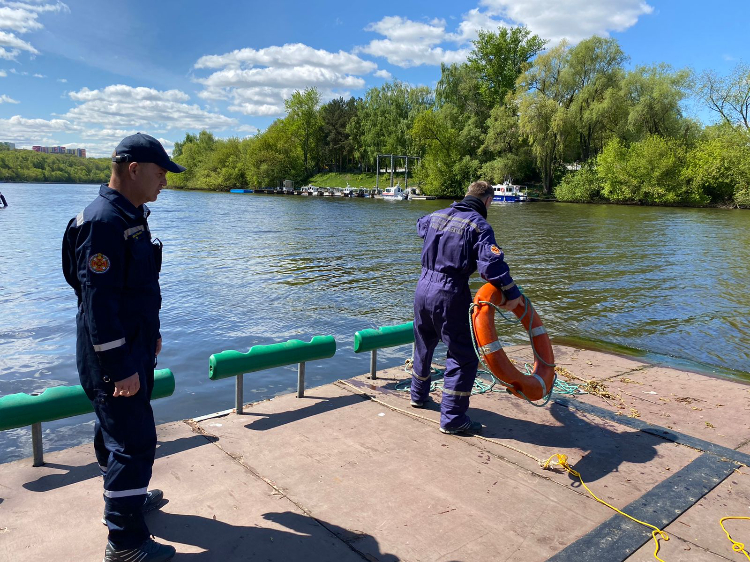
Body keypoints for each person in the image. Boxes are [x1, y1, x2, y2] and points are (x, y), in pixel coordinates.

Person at [62, 133, 185, 562]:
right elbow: (98, 304)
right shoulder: (103, 222)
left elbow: (133, 289)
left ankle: (123, 500)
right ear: (133, 169)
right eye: (160, 172)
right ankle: (125, 541)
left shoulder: (128, 214)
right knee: (134, 442)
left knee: (116, 433)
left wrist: (150, 334)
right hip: (113, 356)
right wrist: (118, 367)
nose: (164, 182)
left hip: (133, 346)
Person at [411, 180, 523, 434]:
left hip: (422, 288)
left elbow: (420, 225)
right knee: (463, 356)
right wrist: (512, 294)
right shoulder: (479, 226)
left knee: (423, 342)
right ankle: (452, 418)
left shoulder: (436, 215)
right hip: (449, 292)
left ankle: (417, 395)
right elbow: (491, 266)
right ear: (487, 201)